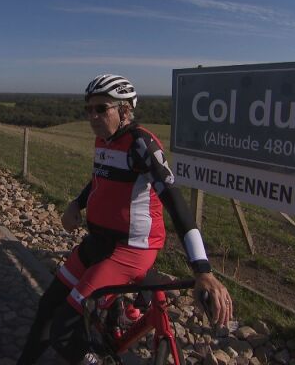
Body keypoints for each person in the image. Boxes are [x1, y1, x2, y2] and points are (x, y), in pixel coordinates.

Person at [17, 74, 233, 364]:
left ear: (126, 111)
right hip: (99, 241)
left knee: (64, 331)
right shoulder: (104, 140)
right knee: (48, 306)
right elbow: (99, 179)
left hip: (130, 250)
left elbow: (176, 205)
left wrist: (202, 269)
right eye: (89, 109)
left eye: (101, 108)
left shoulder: (141, 144)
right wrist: (76, 205)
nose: (92, 115)